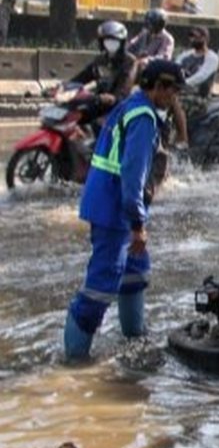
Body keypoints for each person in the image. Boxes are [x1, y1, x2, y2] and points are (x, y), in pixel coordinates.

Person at [63, 60, 183, 361]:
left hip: (106, 200)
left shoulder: (130, 104)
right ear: (160, 87)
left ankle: (135, 337)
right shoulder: (143, 118)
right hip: (113, 208)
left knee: (135, 271)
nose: (175, 98)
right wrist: (138, 223)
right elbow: (133, 175)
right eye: (174, 91)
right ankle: (74, 362)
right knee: (100, 286)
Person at [70, 20, 138, 125]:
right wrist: (64, 86)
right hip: (99, 103)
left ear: (122, 43)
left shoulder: (130, 61)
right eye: (107, 40)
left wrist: (113, 98)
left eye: (114, 41)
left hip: (120, 107)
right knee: (75, 117)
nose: (110, 44)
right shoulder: (100, 60)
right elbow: (82, 77)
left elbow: (124, 89)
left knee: (100, 125)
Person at [172, 26, 219, 145]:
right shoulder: (185, 56)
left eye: (195, 36)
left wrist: (182, 83)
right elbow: (174, 68)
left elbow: (201, 76)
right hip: (179, 92)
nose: (192, 39)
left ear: (204, 38)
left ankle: (182, 140)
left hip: (200, 97)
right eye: (190, 36)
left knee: (176, 103)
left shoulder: (211, 57)